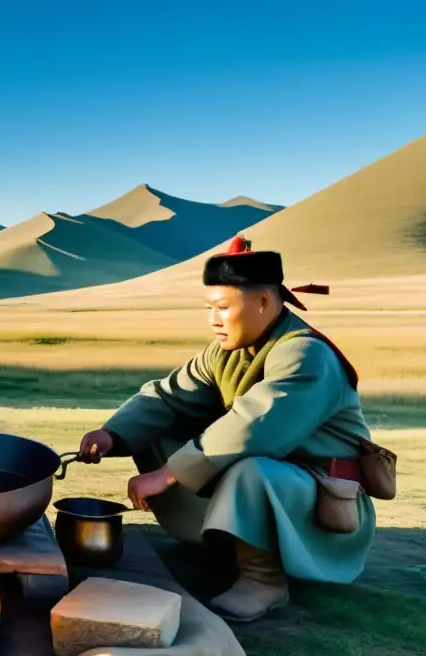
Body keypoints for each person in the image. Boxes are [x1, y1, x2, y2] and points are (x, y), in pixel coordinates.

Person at [78, 235, 376, 622]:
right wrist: (111, 435)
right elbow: (168, 398)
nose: (213, 320)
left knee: (250, 467)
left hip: (324, 501)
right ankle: (222, 544)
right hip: (281, 484)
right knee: (161, 430)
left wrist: (168, 475)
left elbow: (253, 425)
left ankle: (264, 580)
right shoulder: (225, 352)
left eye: (222, 307)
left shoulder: (305, 355)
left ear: (264, 302)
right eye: (209, 308)